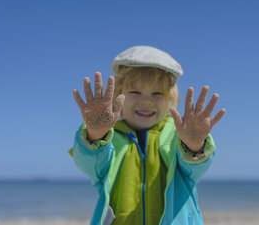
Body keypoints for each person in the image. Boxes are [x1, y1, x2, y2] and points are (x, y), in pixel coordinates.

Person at [70, 45, 226, 225]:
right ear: (118, 96)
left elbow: (195, 168)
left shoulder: (177, 135)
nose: (146, 101)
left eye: (157, 93)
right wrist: (96, 133)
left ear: (171, 99)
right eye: (135, 92)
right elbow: (89, 164)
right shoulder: (109, 140)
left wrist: (194, 145)